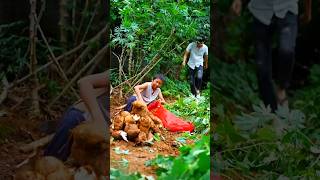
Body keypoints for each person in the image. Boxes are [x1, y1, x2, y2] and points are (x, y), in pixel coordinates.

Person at [231, 0, 312, 111]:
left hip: (288, 8)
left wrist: (308, 12)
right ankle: (272, 111)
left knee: (287, 50)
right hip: (261, 10)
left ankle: (282, 88)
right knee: (262, 67)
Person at [44, 71, 109, 161]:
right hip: (87, 115)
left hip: (107, 125)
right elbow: (84, 82)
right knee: (73, 120)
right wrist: (99, 119)